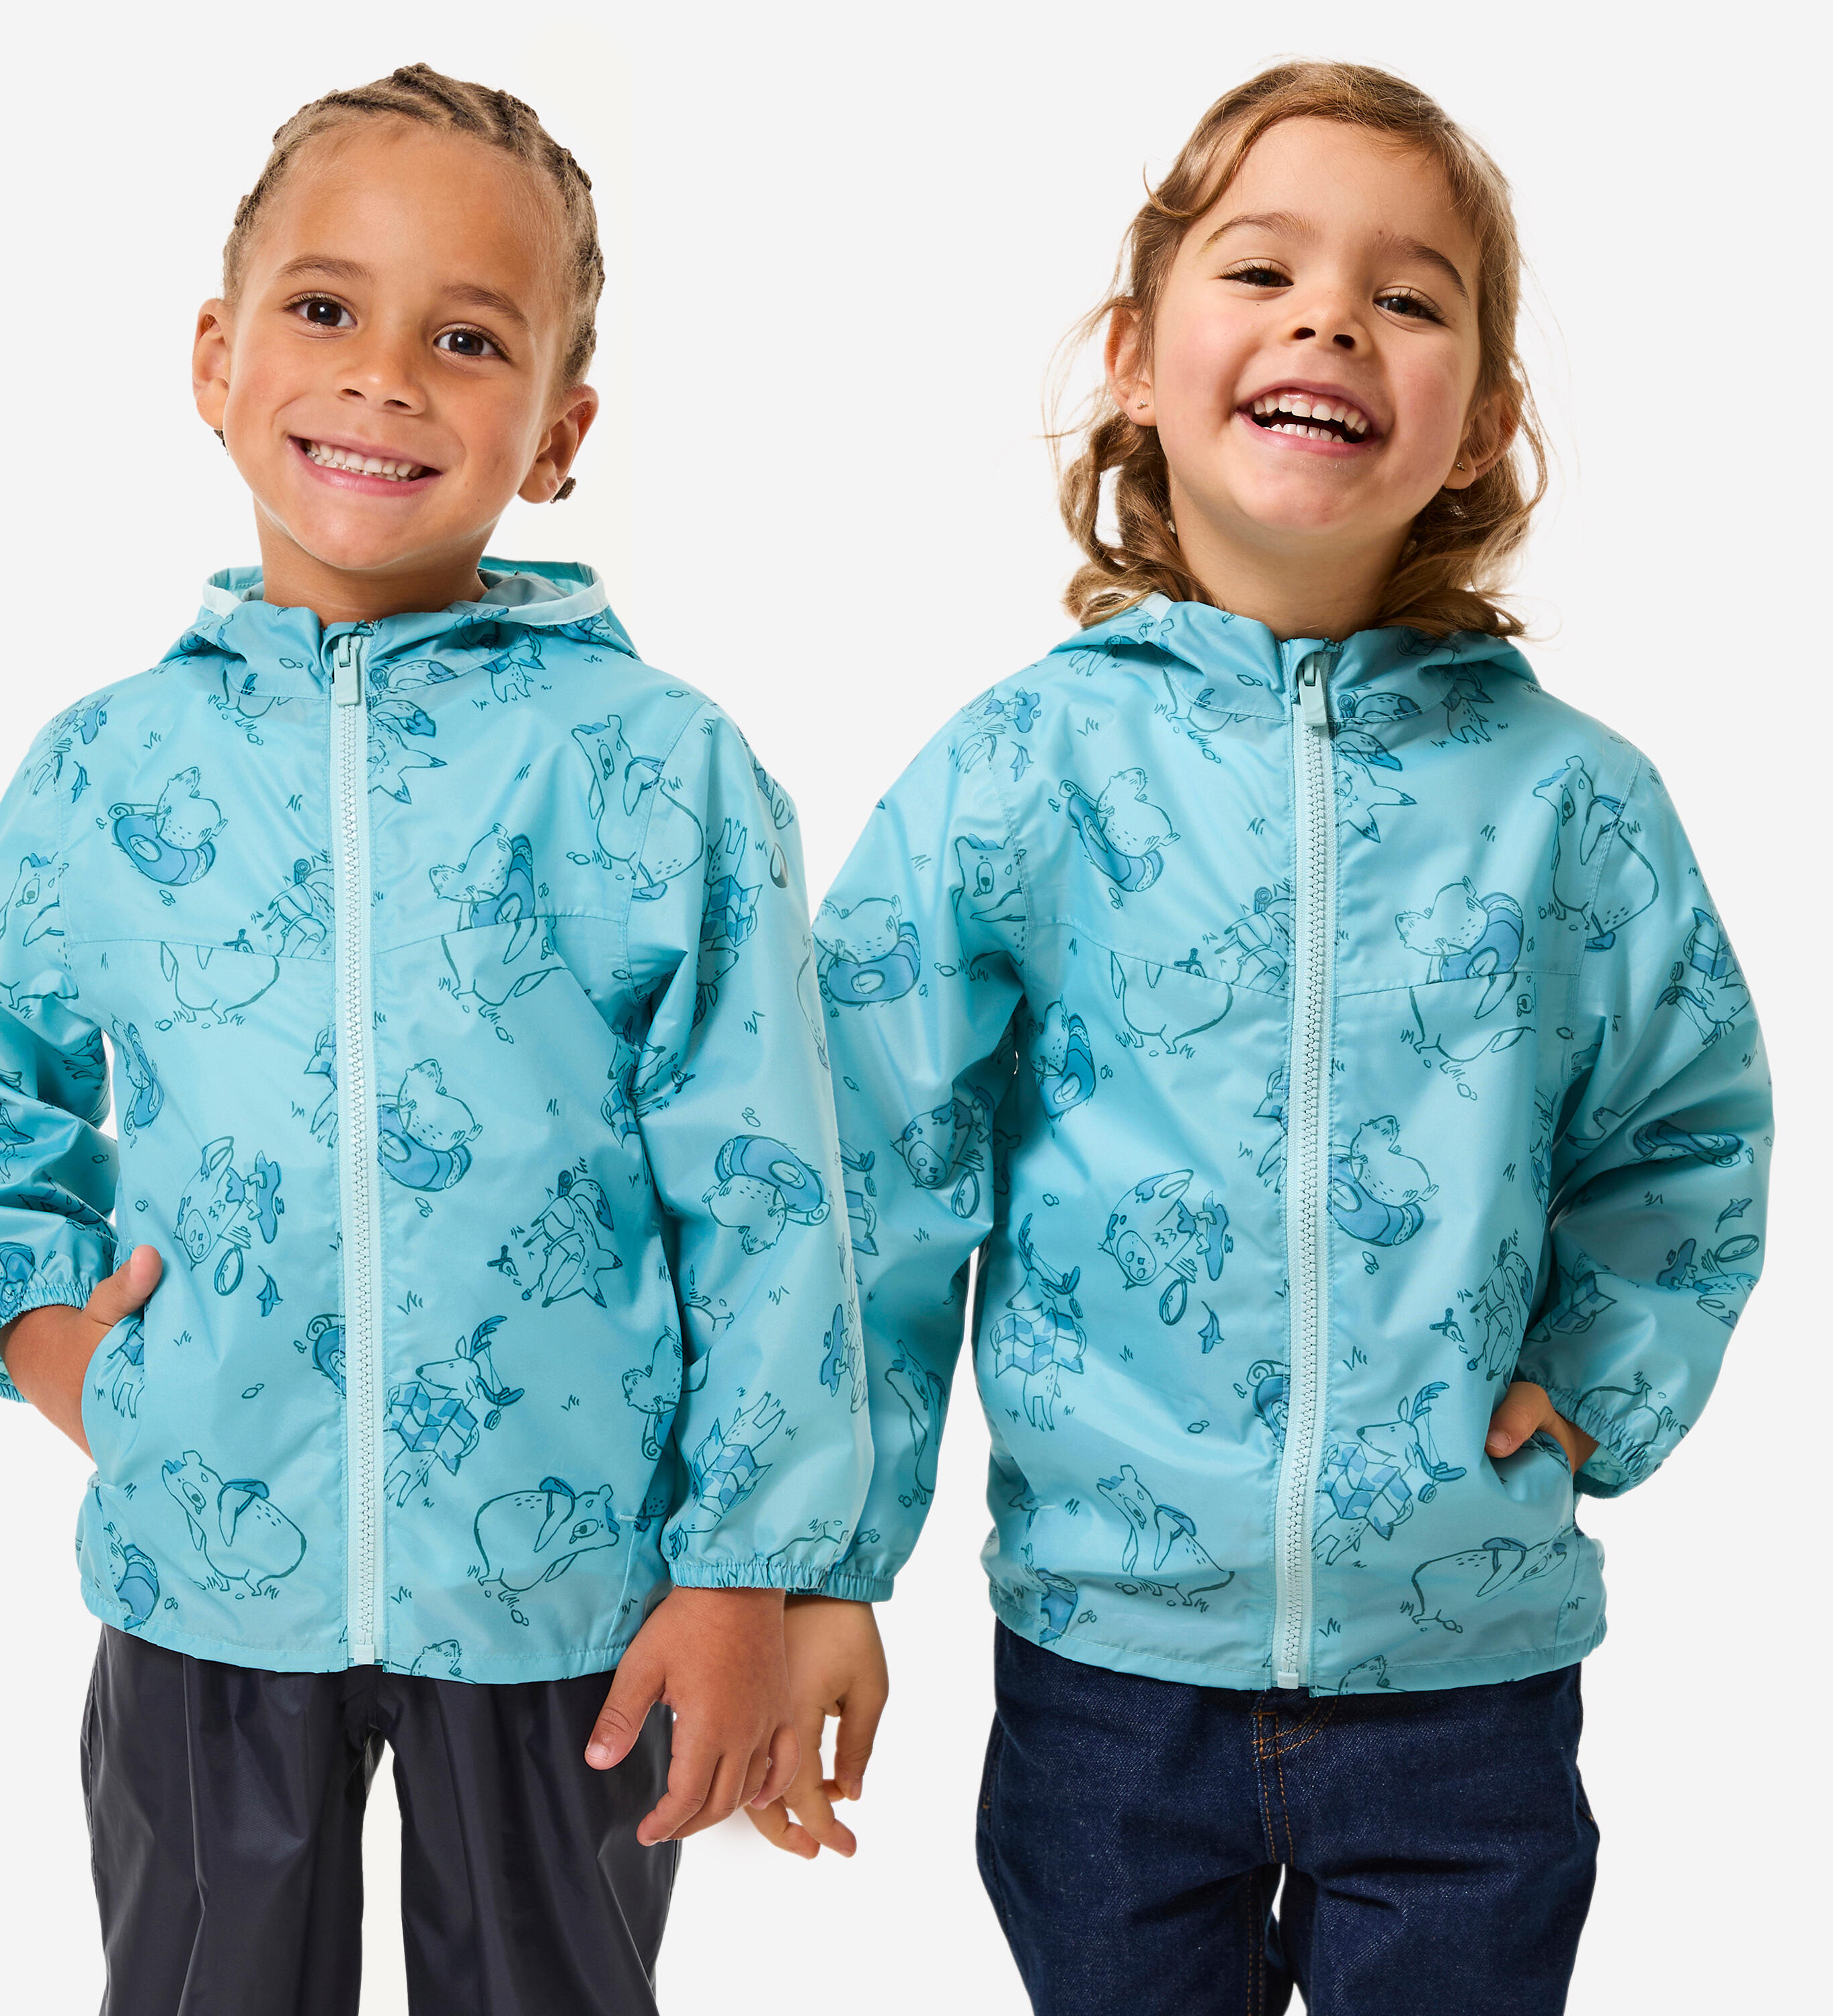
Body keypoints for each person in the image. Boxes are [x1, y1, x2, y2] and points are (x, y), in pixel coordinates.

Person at [753, 60, 1773, 2014]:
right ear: (1137, 361)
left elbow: (1685, 1131)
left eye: (1408, 295)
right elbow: (864, 1174)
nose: (1331, 321)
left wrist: (1598, 1382)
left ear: (1481, 423)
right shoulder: (1021, 770)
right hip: (1108, 1674)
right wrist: (822, 1565)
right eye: (1263, 269)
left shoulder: (1572, 804)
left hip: (1466, 1674)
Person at [0, 63, 870, 2016]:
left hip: (565, 1591)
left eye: (469, 338)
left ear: (560, 430)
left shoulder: (653, 765)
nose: (386, 377)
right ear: (216, 356)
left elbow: (770, 1190)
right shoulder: (107, 768)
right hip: (205, 1567)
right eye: (326, 308)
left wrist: (746, 1565)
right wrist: (51, 1339)